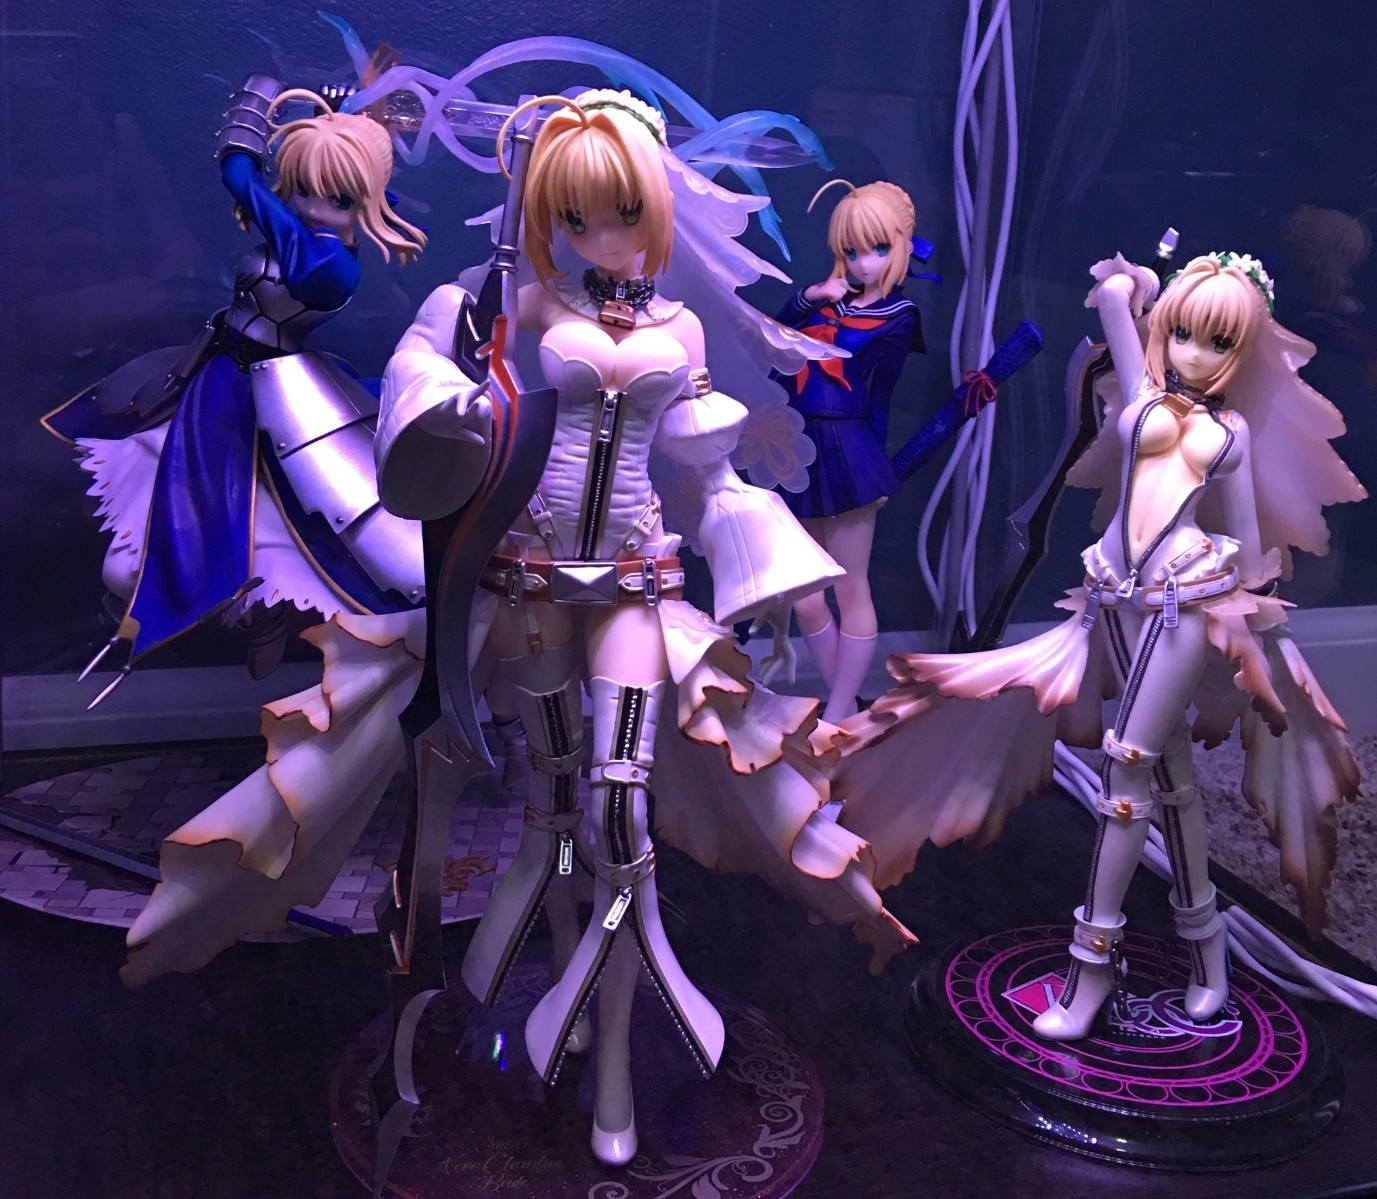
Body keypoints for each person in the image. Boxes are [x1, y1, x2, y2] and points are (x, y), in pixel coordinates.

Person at [376, 89, 915, 1165]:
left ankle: (613, 1048)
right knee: (550, 809)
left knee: (620, 820)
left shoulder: (680, 327)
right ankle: (550, 1002)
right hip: (532, 585)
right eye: (574, 216)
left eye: (621, 211)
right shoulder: (525, 304)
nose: (600, 235)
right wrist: (452, 392)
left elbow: (706, 465)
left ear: (655, 208)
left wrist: (754, 553)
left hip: (633, 583)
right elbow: (451, 392)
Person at [831, 251, 1364, 1040]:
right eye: (1181, 333)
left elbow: (1250, 544)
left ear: (1241, 350)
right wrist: (1141, 287)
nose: (1193, 353)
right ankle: (1207, 951)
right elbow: (1111, 293)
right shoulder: (1144, 393)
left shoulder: (1231, 431)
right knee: (1170, 776)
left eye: (1217, 341)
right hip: (1105, 598)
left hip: (1179, 609)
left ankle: (1089, 969)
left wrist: (1249, 605)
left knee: (1125, 771)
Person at [64, 76, 433, 987]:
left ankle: (259, 615)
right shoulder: (297, 228)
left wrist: (255, 111)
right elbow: (247, 183)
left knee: (330, 541)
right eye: (304, 189)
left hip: (278, 399)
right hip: (215, 384)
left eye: (334, 196)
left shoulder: (332, 265)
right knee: (155, 532)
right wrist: (268, 120)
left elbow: (242, 182)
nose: (311, 207)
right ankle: (224, 613)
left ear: (365, 202)